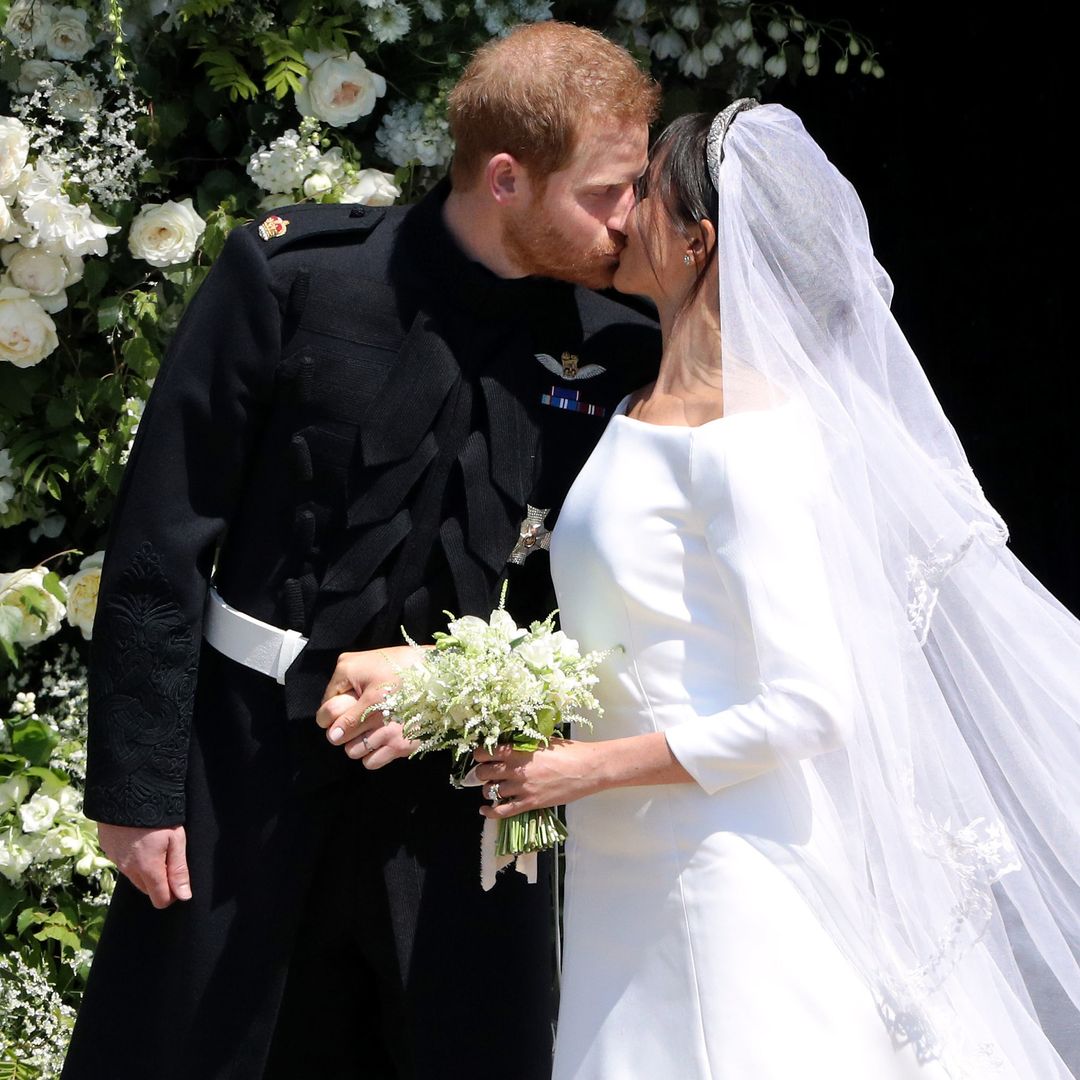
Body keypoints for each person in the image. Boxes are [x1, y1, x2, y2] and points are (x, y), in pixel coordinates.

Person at [60, 22, 660, 1080]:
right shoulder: (296, 279)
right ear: (508, 178)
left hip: (471, 805)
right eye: (605, 192)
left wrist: (469, 680)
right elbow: (161, 536)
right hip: (246, 777)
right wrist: (138, 790)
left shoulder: (617, 351)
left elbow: (621, 595)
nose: (629, 220)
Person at [472, 101, 1080, 1078]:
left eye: (644, 198)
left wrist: (589, 769)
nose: (620, 216)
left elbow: (809, 706)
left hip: (726, 874)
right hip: (626, 875)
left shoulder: (749, 436)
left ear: (698, 241)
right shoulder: (635, 406)